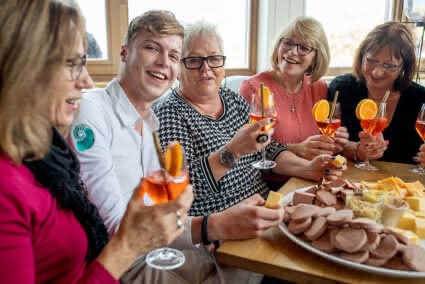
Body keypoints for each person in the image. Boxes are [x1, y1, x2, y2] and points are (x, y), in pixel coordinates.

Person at [0, 1, 192, 283]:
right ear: (24, 66)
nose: (88, 82)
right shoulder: (9, 185)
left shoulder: (46, 155)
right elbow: (116, 231)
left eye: (174, 55)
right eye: (72, 65)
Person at [154, 20, 346, 219]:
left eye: (214, 59)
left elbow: (268, 149)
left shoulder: (231, 99)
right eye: (194, 60)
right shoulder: (169, 114)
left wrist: (309, 168)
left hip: (264, 205)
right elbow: (179, 188)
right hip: (219, 221)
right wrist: (232, 151)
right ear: (177, 67)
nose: (206, 68)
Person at [240, 16, 349, 161]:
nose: (292, 52)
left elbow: (322, 146)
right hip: (271, 182)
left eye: (303, 48)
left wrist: (333, 143)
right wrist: (296, 149)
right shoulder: (253, 88)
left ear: (316, 58)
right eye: (288, 43)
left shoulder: (319, 88)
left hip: (311, 179)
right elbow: (244, 148)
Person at [328, 21, 425, 164]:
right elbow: (329, 143)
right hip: (350, 182)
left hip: (404, 184)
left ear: (403, 68)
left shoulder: (420, 98)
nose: (376, 72)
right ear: (362, 56)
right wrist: (357, 150)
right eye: (371, 60)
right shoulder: (342, 88)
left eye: (389, 65)